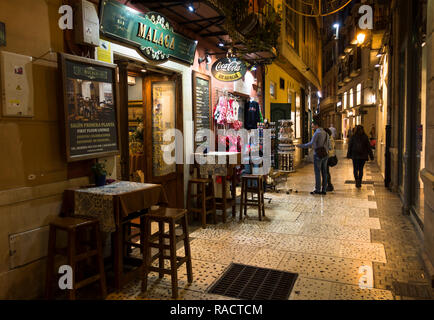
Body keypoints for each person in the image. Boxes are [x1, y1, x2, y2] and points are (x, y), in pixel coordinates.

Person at [297, 118, 330, 195]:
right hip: (325, 154)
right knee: (324, 172)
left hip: (318, 155)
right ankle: (324, 189)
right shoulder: (326, 133)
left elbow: (311, 144)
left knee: (317, 172)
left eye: (312, 126)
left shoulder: (317, 133)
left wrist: (300, 146)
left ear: (316, 125)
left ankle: (318, 189)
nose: (312, 128)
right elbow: (329, 145)